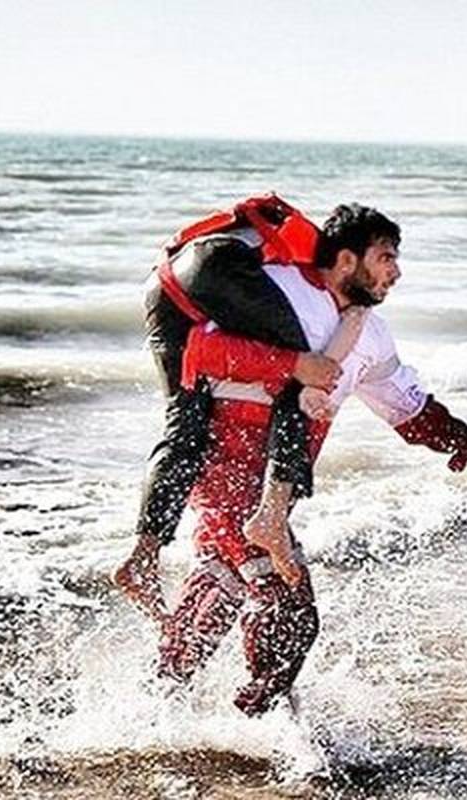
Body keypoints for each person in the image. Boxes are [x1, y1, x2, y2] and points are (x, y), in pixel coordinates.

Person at [157, 203, 467, 716]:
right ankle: (258, 727)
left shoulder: (369, 333)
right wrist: (287, 365)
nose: (397, 272)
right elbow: (197, 349)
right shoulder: (274, 290)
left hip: (269, 486)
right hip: (227, 464)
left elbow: (408, 408)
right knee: (289, 610)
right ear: (347, 260)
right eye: (386, 257)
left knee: (226, 583)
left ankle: (162, 711)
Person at [115, 194, 342, 620]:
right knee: (303, 370)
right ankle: (271, 516)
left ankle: (143, 556)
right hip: (215, 264)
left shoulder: (282, 237)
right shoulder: (322, 261)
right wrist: (298, 363)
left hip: (164, 288)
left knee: (184, 428)